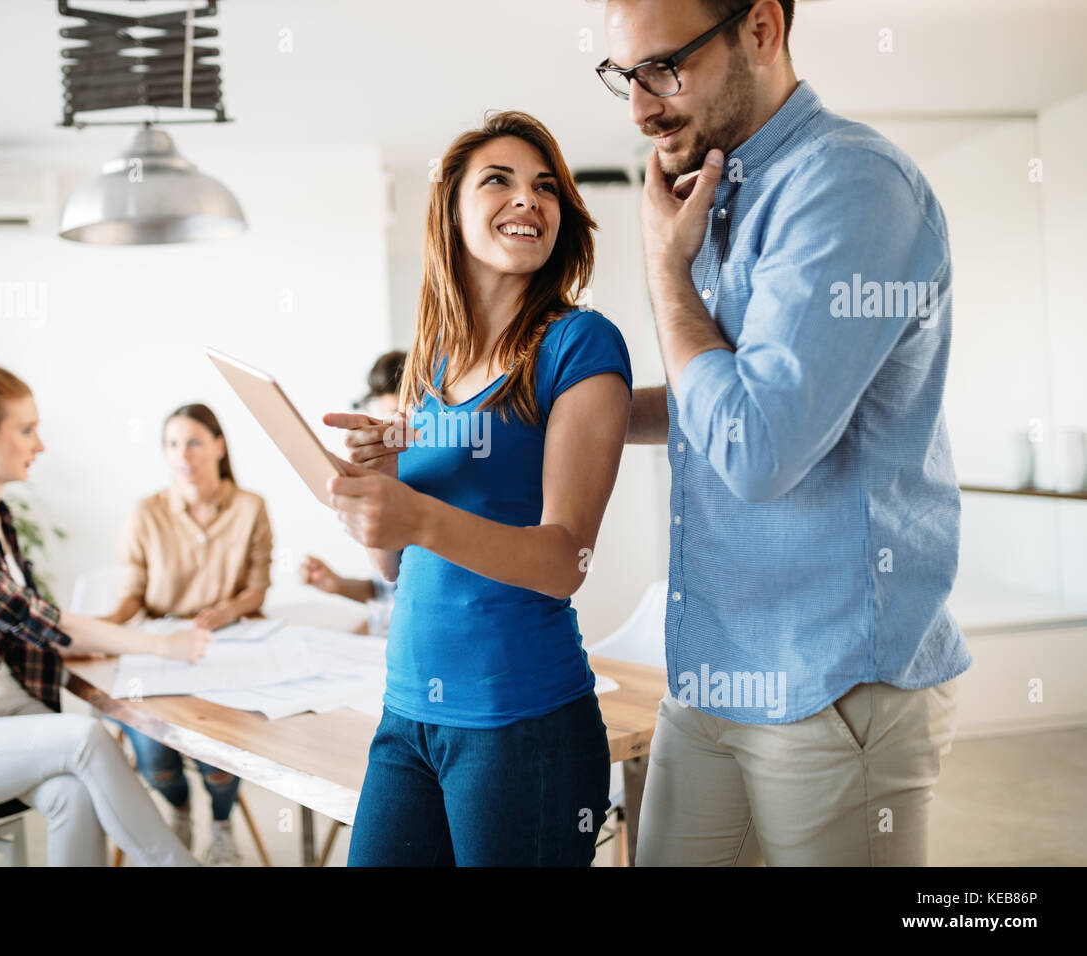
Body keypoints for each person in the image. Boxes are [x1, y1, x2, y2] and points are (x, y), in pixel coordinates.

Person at [596, 0, 971, 865]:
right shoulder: (726, 191)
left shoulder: (850, 184)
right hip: (716, 672)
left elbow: (755, 447)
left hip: (833, 685)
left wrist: (663, 270)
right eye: (626, 76)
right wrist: (551, 421)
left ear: (761, 29)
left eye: (664, 68)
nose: (641, 107)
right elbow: (715, 400)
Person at [322, 111, 634, 866]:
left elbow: (564, 561)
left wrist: (419, 515)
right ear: (451, 210)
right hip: (407, 715)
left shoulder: (580, 344)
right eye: (499, 180)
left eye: (545, 187)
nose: (528, 200)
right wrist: (379, 486)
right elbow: (396, 565)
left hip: (521, 724)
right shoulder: (429, 363)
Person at [0, 353, 206, 867]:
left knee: (73, 795)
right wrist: (164, 645)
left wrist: (83, 648)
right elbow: (36, 618)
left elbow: (28, 628)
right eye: (26, 429)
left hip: (1, 726)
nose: (40, 444)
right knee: (87, 737)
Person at [101, 403, 273, 866]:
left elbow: (257, 589)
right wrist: (100, 627)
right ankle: (178, 811)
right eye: (172, 444)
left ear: (219, 445)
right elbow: (131, 596)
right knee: (156, 757)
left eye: (194, 441)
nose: (183, 454)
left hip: (225, 645)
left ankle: (221, 823)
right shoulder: (146, 511)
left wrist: (226, 611)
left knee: (219, 753)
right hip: (157, 646)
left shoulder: (250, 506)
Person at [301, 350, 406, 607]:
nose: (386, 430)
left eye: (397, 416)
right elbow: (390, 588)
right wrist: (338, 584)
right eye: (384, 417)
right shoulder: (388, 476)